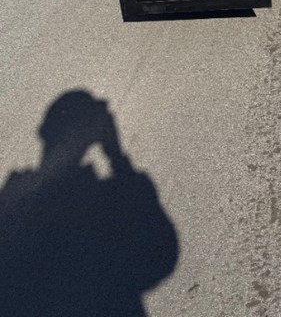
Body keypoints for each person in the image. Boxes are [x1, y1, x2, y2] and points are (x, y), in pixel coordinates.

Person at [0, 90, 178, 316]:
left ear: (44, 134)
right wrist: (117, 157)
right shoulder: (95, 205)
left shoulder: (14, 200)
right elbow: (159, 254)